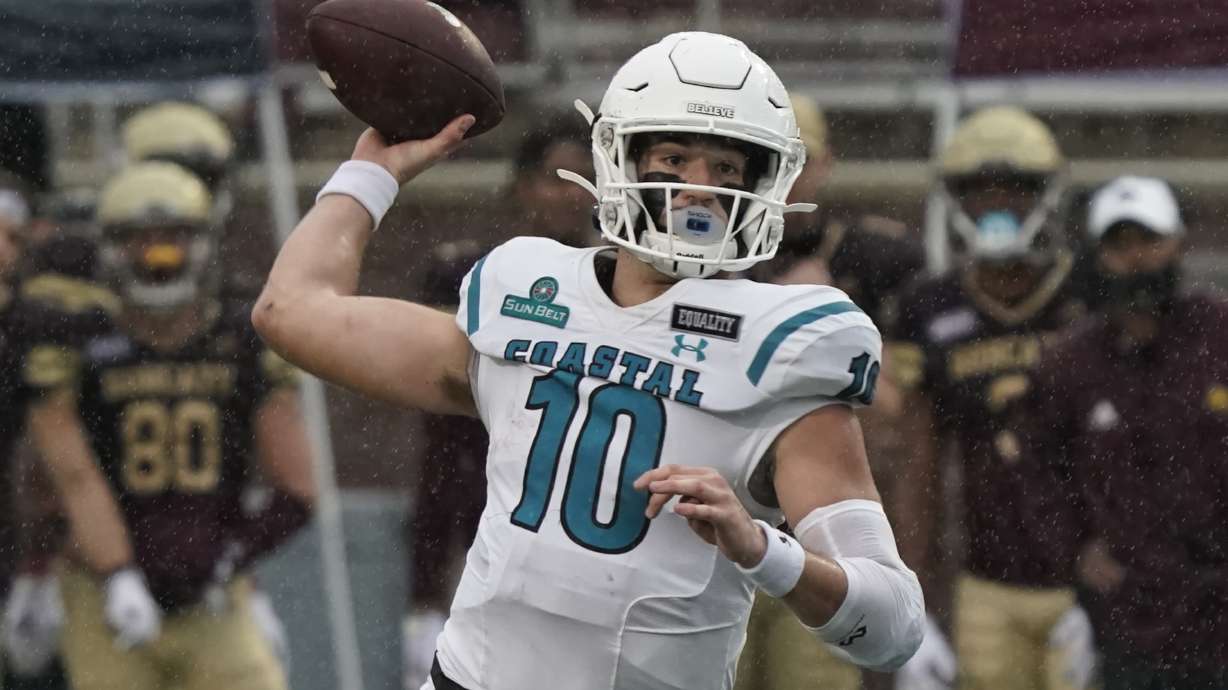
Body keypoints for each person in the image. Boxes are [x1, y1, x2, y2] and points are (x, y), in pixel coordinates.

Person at [254, 31, 924, 690]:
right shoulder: (529, 295)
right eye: (674, 158)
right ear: (620, 161)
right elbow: (291, 311)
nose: (700, 188)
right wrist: (372, 173)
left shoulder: (779, 347)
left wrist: (763, 550)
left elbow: (893, 626)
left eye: (727, 169)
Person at [25, 162, 316, 690]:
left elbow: (298, 488)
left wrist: (232, 559)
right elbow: (69, 476)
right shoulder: (78, 340)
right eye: (140, 238)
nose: (157, 253)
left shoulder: (240, 338)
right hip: (100, 592)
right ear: (112, 247)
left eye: (173, 235)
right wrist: (116, 572)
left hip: (212, 598)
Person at [888, 106, 1095, 690]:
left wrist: (1118, 586)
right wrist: (914, 603)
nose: (997, 205)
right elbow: (918, 467)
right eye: (980, 191)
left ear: (1047, 196)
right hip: (986, 578)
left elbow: (1136, 452)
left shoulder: (1092, 295)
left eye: (1015, 189)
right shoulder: (929, 306)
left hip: (1088, 575)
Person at [736, 95, 926, 690]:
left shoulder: (875, 259)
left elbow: (896, 419)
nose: (784, 179)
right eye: (768, 161)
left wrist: (821, 331)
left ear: (825, 165)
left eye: (796, 161)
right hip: (723, 532)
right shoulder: (709, 259)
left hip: (818, 538)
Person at [402, 117, 596, 688]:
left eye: (584, 180)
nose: (570, 195)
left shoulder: (619, 286)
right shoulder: (473, 275)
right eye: (557, 178)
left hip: (577, 514)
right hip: (482, 493)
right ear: (521, 186)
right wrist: (424, 590)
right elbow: (440, 445)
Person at [1021, 176, 1227, 690]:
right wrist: (1074, 549)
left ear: (1178, 243)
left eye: (1150, 241)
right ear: (1097, 255)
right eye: (1120, 244)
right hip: (1128, 617)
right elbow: (1039, 470)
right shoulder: (1070, 362)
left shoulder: (1220, 334)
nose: (1137, 258)